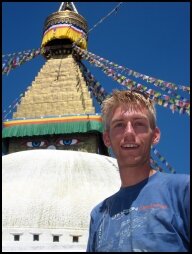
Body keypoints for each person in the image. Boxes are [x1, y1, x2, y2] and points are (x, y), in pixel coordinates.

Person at [86, 90, 189, 252]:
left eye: (138, 123)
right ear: (107, 138)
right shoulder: (99, 215)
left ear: (155, 135)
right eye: (119, 124)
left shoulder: (183, 192)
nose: (129, 133)